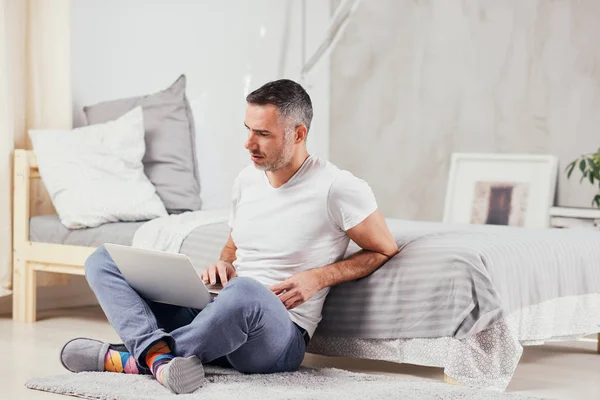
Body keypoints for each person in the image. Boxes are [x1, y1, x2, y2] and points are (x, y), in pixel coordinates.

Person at [59, 79, 399, 394]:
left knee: (246, 291)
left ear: (298, 133)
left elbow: (383, 248)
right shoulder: (247, 180)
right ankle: (160, 360)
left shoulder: (338, 188)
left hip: (277, 335)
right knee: (105, 260)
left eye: (263, 133)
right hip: (218, 311)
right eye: (248, 129)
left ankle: (134, 358)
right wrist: (223, 264)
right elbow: (234, 246)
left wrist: (317, 278)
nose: (248, 143)